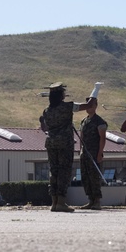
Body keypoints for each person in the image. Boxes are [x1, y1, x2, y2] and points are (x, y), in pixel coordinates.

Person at [41, 82, 96, 213]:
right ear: (61, 96)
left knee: (54, 171)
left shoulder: (47, 111)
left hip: (51, 142)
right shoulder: (67, 107)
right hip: (64, 143)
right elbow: (89, 106)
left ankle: (54, 202)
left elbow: (46, 127)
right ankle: (61, 202)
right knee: (64, 171)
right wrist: (95, 92)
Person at [78, 97, 108, 210]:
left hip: (94, 153)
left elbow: (102, 138)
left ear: (95, 106)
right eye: (87, 105)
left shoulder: (99, 121)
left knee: (94, 177)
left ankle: (97, 201)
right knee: (86, 177)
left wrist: (100, 153)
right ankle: (90, 200)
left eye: (91, 105)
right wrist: (80, 150)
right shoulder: (84, 121)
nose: (89, 107)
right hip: (85, 154)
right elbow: (81, 137)